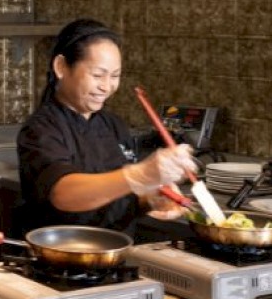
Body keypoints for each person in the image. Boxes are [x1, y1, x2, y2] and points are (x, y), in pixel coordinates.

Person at [16, 19, 196, 235]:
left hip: (114, 256)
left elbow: (118, 200)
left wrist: (149, 198)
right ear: (61, 67)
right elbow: (63, 194)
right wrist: (139, 175)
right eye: (98, 75)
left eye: (115, 76)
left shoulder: (113, 125)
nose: (106, 86)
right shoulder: (41, 129)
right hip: (60, 258)